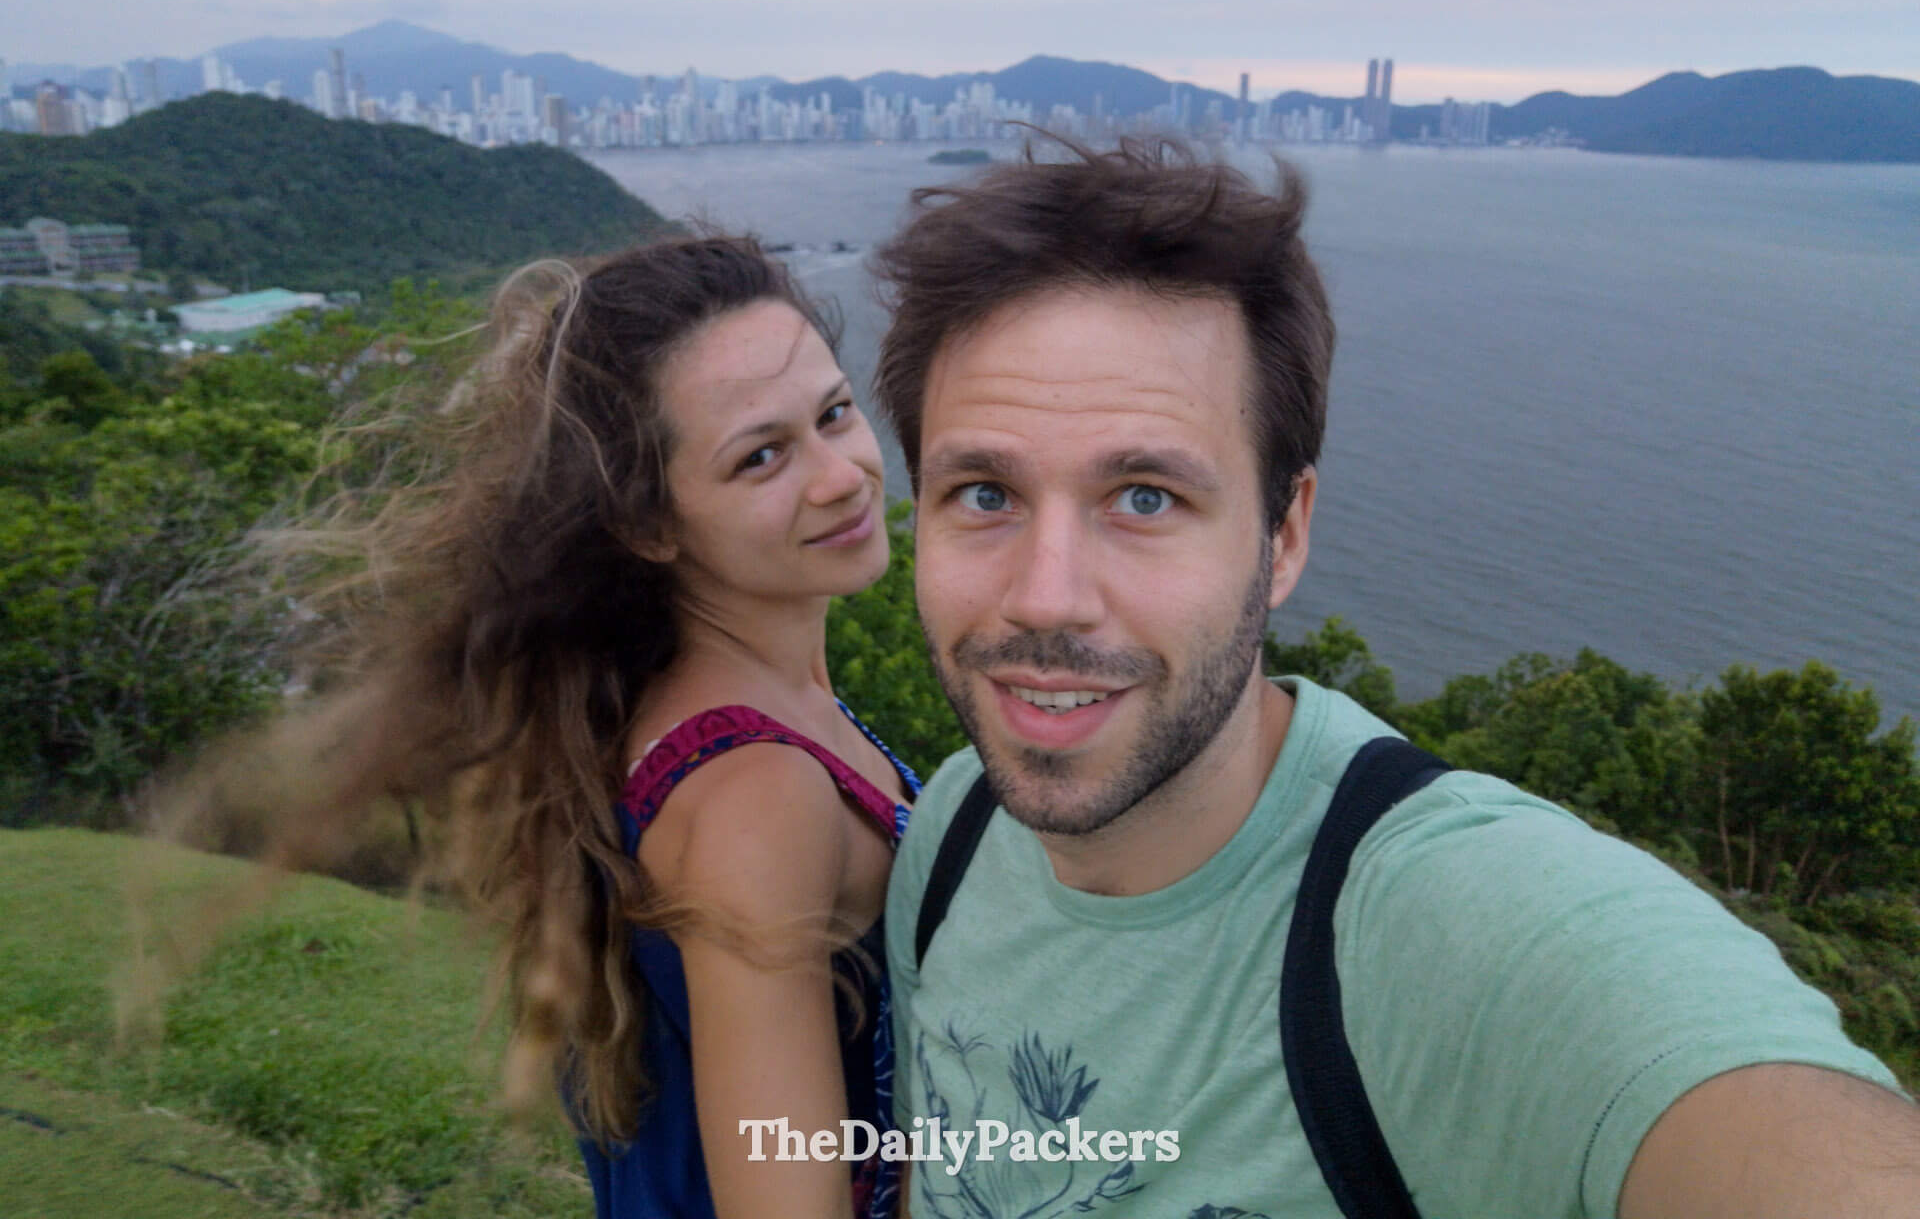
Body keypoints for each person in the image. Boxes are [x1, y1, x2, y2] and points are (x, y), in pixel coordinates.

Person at [870, 137, 1919, 1218]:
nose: (1046, 597)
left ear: (1283, 537)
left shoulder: (1437, 926)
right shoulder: (954, 834)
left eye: (1144, 497)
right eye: (984, 492)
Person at [162, 236, 918, 1219]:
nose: (841, 476)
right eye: (761, 456)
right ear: (649, 527)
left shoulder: (689, 712)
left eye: (833, 414)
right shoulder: (755, 797)